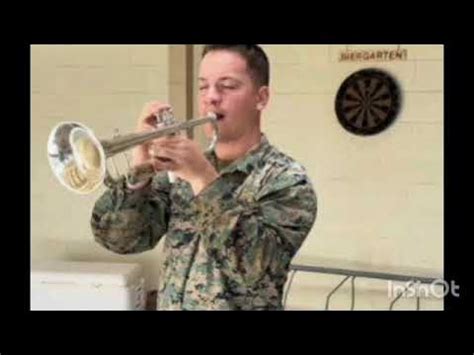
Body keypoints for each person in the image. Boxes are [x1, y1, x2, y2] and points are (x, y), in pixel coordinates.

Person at [91, 45, 318, 310]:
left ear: (261, 98)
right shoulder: (181, 172)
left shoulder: (288, 181)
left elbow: (256, 270)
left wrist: (203, 179)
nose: (211, 97)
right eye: (203, 86)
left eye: (228, 86)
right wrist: (140, 168)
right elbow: (119, 239)